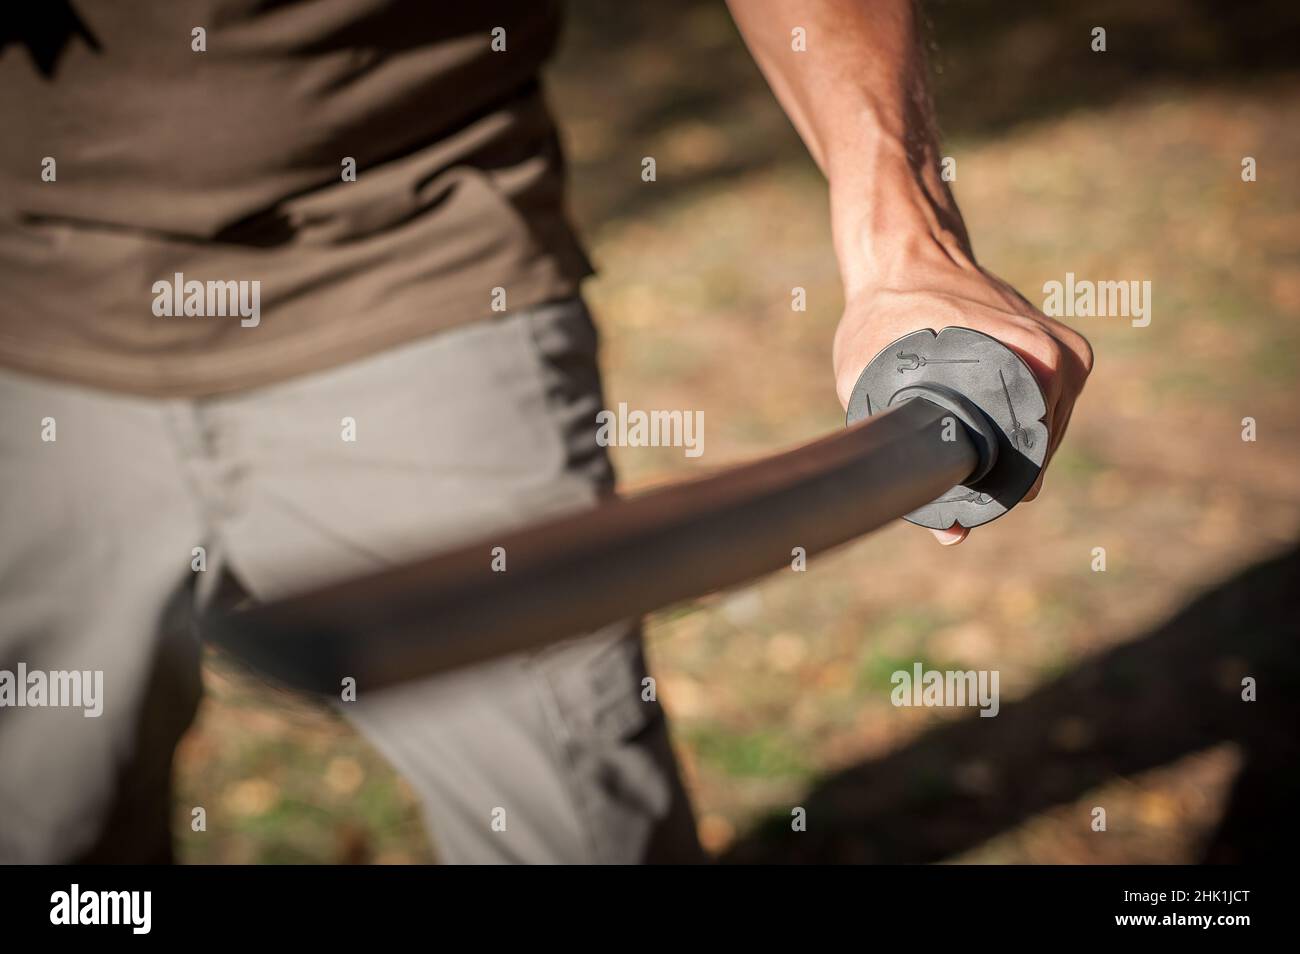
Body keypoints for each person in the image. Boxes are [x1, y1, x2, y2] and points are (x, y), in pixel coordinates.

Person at [0, 0, 1090, 863]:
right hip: (28, 330)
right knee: (44, 830)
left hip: (413, 282)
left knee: (576, 831)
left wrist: (904, 239)